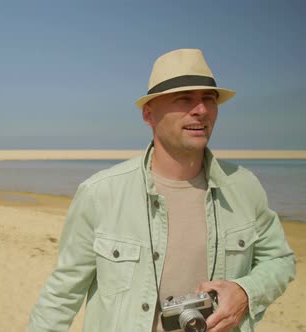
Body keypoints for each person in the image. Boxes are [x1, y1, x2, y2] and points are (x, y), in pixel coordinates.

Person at [27, 49, 295, 332]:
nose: (201, 110)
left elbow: (280, 261)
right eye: (185, 99)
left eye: (209, 99)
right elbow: (61, 296)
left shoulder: (244, 186)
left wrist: (245, 291)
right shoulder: (100, 193)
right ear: (149, 114)